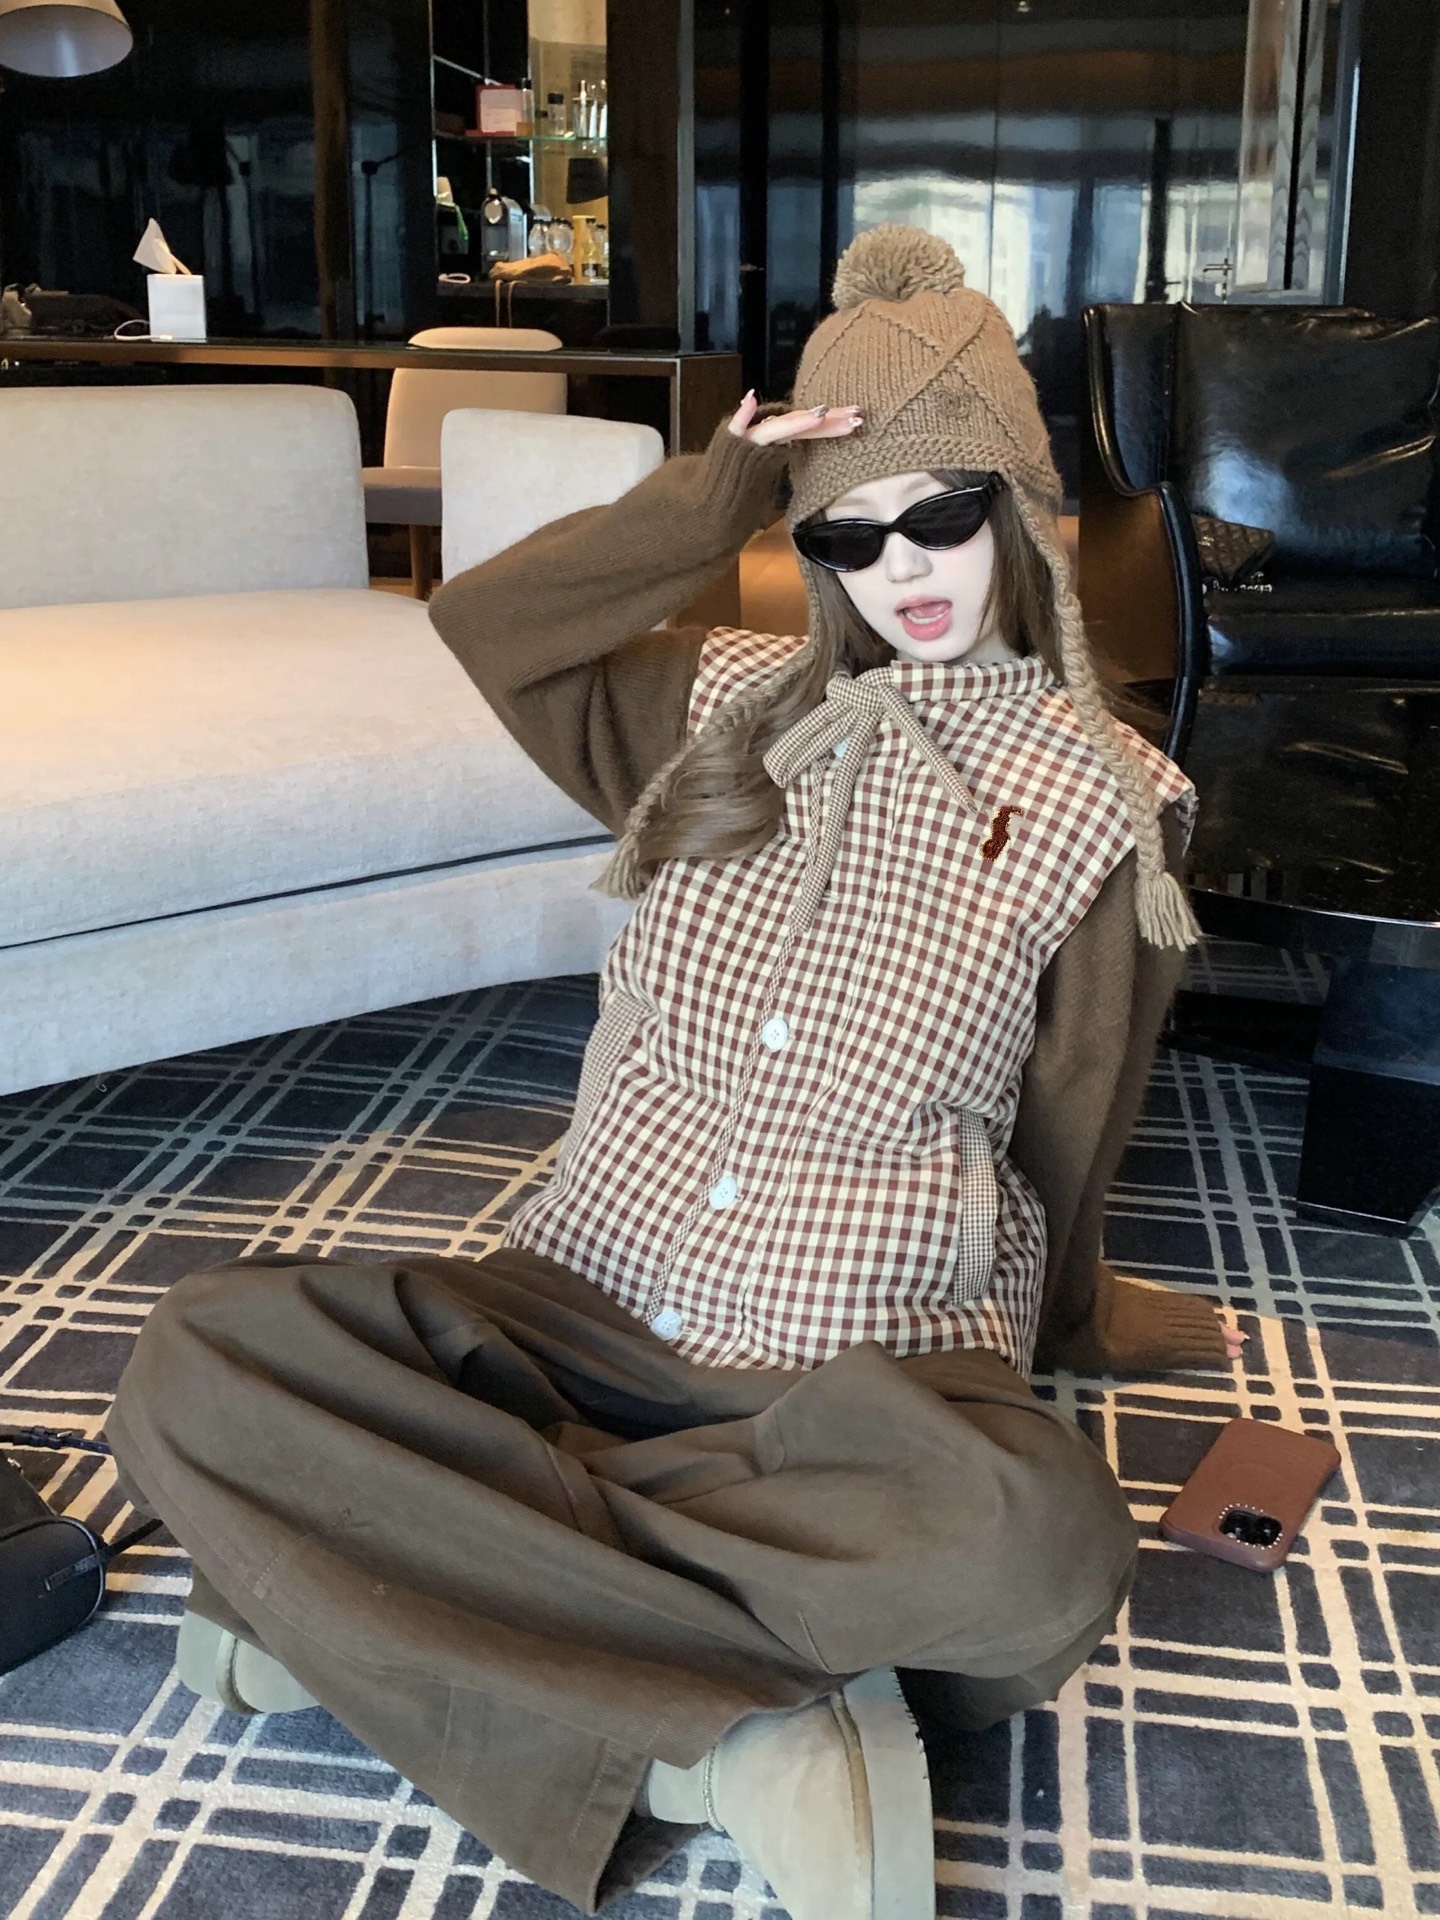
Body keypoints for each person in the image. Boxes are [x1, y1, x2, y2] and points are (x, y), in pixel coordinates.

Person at [107, 227, 1244, 1920]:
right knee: (191, 1357)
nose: (902, 567)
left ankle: (374, 1603)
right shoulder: (711, 706)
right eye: (849, 533)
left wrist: (1075, 1311)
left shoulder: (1108, 798)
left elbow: (1074, 1111)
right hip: (571, 1304)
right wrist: (721, 496)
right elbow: (495, 623)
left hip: (856, 1365)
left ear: (1015, 504)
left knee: (1042, 1548)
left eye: (940, 515)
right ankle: (725, 1744)